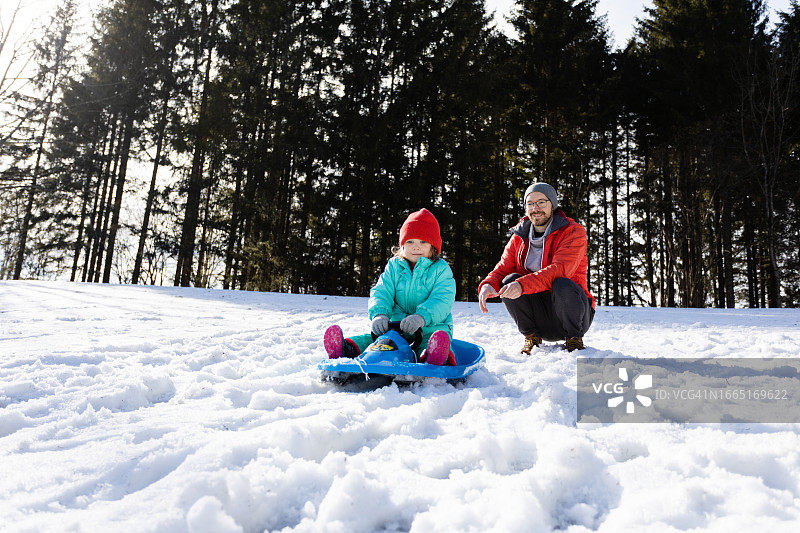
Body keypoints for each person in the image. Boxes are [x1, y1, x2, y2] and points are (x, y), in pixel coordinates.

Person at [324, 208, 457, 365]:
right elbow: (382, 292)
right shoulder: (394, 266)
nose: (416, 247)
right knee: (374, 341)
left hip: (429, 329)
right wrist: (380, 314)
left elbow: (442, 299)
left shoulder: (440, 269)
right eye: (410, 241)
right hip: (395, 328)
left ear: (433, 246)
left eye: (423, 241)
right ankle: (345, 349)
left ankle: (432, 357)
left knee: (428, 343)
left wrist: (422, 317)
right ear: (402, 245)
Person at [478, 182, 595, 353]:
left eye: (541, 202)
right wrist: (489, 284)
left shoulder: (573, 232)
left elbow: (560, 269)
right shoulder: (519, 237)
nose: (535, 208)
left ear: (552, 205)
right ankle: (531, 336)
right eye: (530, 203)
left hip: (573, 315)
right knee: (509, 280)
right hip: (540, 316)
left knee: (561, 283)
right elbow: (502, 268)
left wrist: (522, 285)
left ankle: (574, 340)